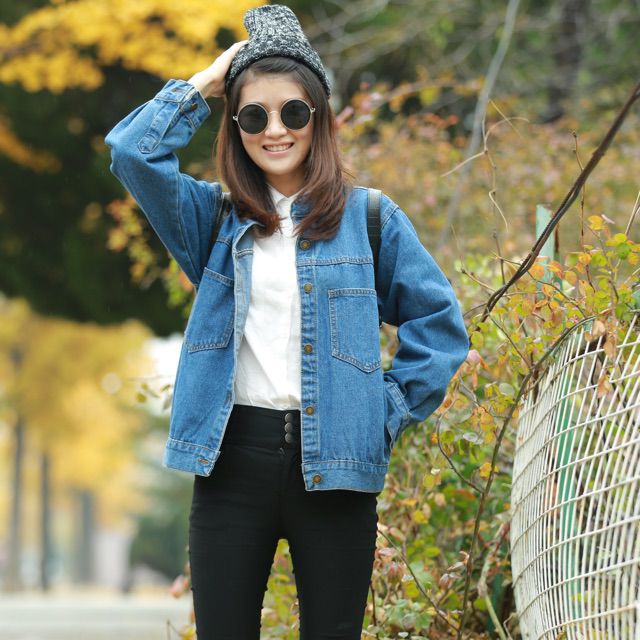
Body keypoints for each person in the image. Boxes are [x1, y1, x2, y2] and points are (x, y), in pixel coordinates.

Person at [104, 5, 469, 639]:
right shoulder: (213, 221)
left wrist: (383, 412)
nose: (274, 130)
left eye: (293, 112)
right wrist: (206, 82)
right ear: (235, 126)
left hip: (338, 463)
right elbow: (133, 153)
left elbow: (438, 326)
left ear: (318, 117)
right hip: (231, 464)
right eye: (254, 116)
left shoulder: (370, 218)